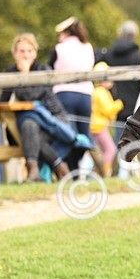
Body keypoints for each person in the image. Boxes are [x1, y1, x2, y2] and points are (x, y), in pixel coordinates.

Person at [0, 32, 72, 182]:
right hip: (31, 121)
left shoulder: (43, 70)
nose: (25, 55)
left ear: (35, 53)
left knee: (30, 129)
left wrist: (25, 74)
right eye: (22, 51)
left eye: (29, 51)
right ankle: (57, 169)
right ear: (15, 53)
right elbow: (4, 99)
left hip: (53, 119)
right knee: (29, 125)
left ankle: (38, 170)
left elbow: (31, 96)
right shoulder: (11, 72)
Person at [49, 16, 95, 170]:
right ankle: (78, 167)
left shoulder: (59, 48)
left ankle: (73, 168)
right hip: (85, 95)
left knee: (70, 135)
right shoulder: (88, 47)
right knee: (84, 135)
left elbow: (50, 69)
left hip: (64, 94)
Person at [99, 20, 140, 140]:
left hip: (116, 105)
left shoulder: (108, 54)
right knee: (137, 145)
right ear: (135, 35)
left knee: (119, 142)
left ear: (120, 33)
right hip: (137, 107)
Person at [90, 61, 123, 176]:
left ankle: (99, 171)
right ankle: (103, 172)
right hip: (99, 127)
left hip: (99, 126)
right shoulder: (101, 92)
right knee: (110, 150)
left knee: (104, 151)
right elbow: (108, 110)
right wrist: (119, 104)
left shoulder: (99, 91)